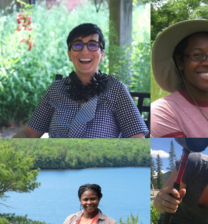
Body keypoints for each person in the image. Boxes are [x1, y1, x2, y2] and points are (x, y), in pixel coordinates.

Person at [13, 23, 148, 138]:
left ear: (102, 54)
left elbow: (136, 138)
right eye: (77, 45)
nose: (84, 51)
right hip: (57, 166)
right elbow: (29, 134)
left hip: (101, 167)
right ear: (69, 55)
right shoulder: (56, 89)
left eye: (93, 45)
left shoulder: (116, 90)